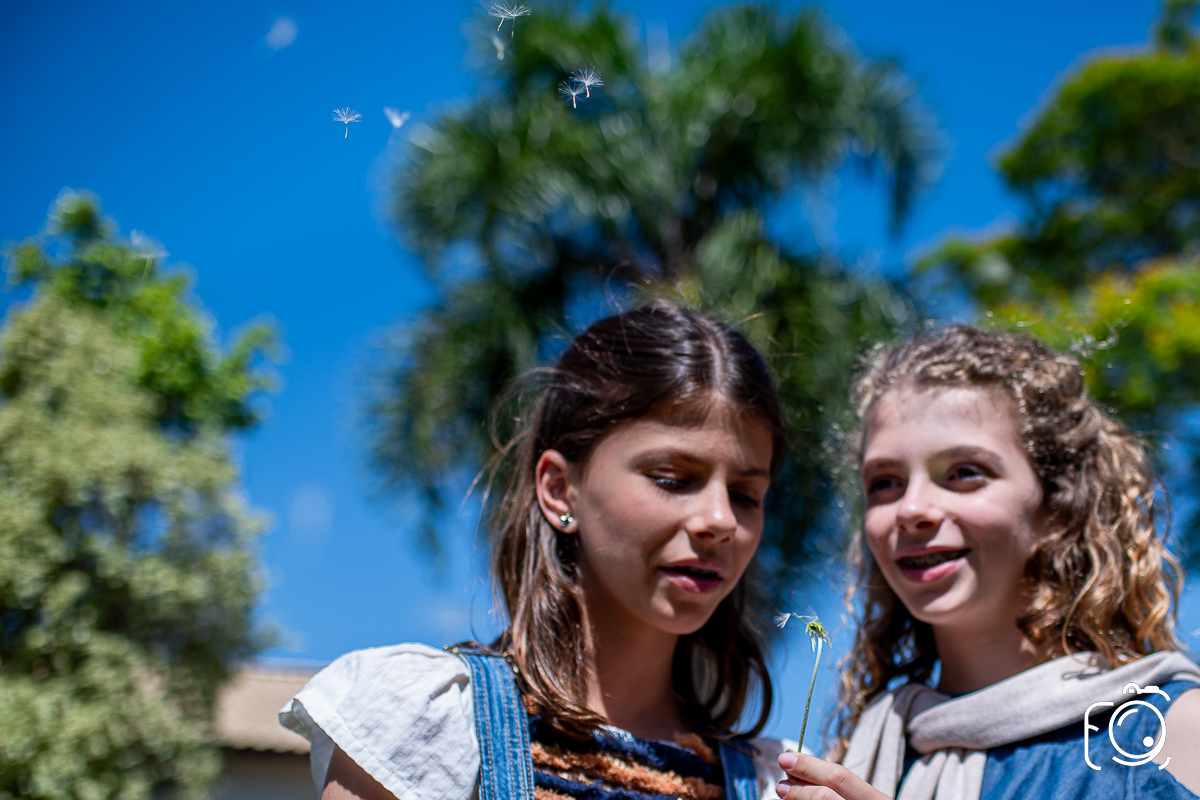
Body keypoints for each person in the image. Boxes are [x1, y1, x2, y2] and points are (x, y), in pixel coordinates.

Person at [280, 302, 795, 800]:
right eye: (672, 478)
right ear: (559, 490)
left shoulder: (772, 784)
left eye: (746, 495)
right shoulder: (429, 733)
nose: (721, 521)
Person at [775, 326, 1200, 800]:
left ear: (1059, 505)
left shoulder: (1172, 733)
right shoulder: (866, 755)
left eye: (965, 473)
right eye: (885, 482)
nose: (912, 508)